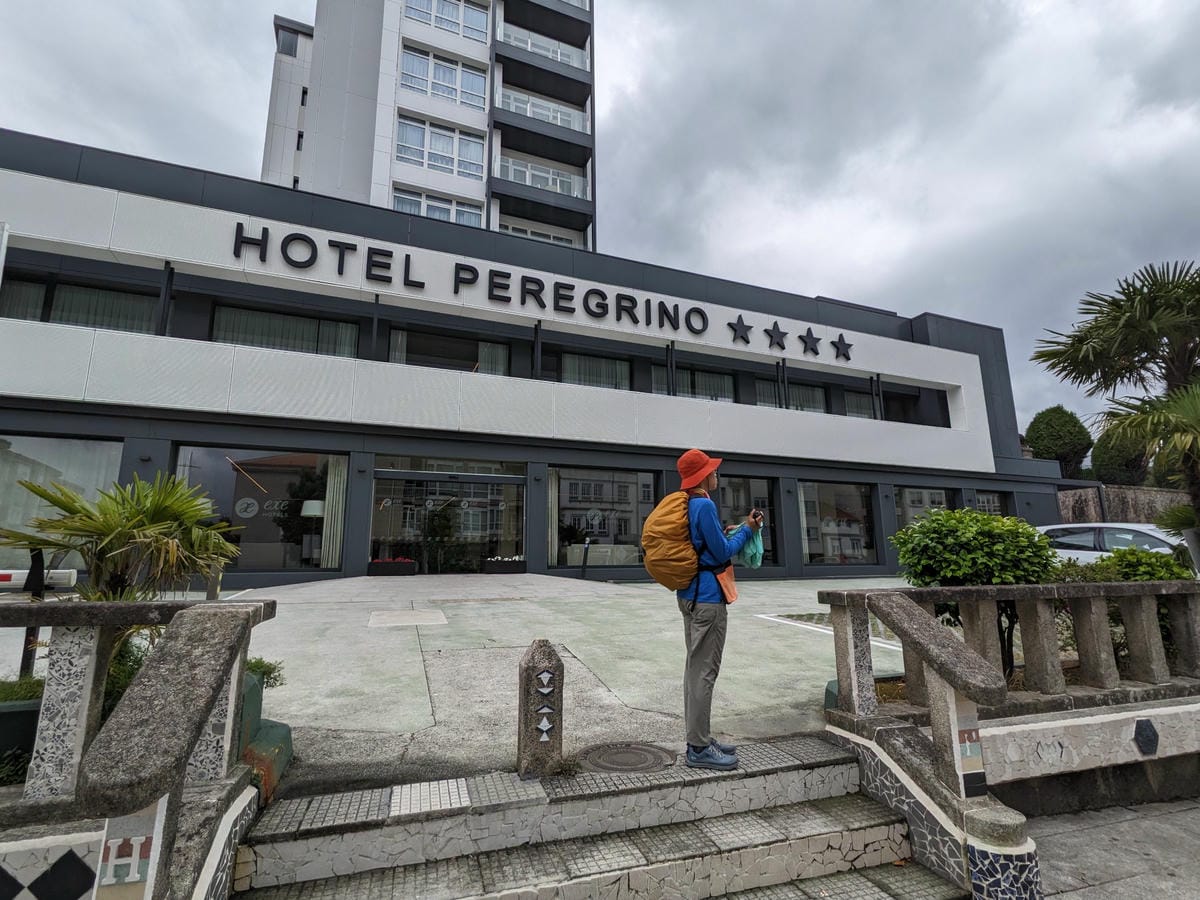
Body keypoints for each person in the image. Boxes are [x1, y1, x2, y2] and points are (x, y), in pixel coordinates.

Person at [675, 448, 763, 770]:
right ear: (702, 476)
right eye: (712, 470)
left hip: (688, 594)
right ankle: (698, 749)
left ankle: (699, 737)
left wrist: (731, 532)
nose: (716, 474)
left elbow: (705, 545)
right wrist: (749, 529)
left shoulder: (685, 504)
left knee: (694, 670)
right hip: (708, 600)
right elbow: (724, 552)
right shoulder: (704, 504)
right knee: (704, 673)